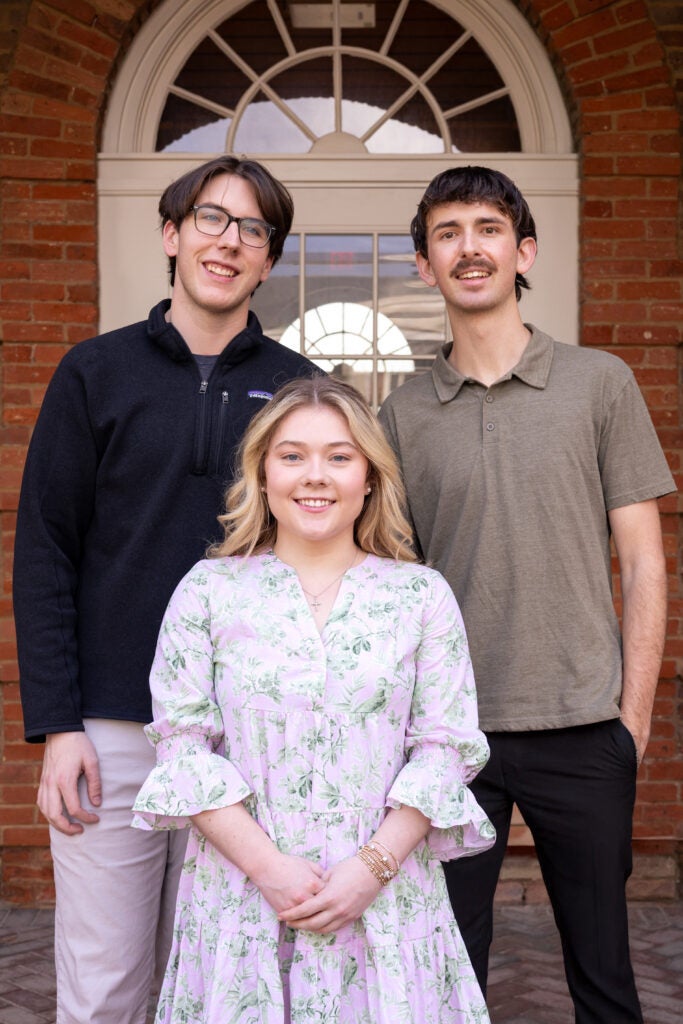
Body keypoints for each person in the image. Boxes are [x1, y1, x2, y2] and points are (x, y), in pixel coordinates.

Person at [13, 155, 317, 1024]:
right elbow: (45, 553)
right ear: (172, 236)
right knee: (104, 985)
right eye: (213, 220)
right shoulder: (92, 373)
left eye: (253, 230)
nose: (230, 242)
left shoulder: (298, 388)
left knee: (227, 986)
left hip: (250, 729)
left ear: (269, 260)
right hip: (114, 731)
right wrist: (60, 725)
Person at [378, 165, 675, 1024]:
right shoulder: (401, 414)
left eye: (486, 228)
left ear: (522, 252)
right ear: (425, 266)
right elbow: (395, 587)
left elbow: (643, 562)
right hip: (448, 737)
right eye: (446, 233)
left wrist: (633, 721)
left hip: (583, 727)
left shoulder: (599, 383)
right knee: (444, 974)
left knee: (604, 981)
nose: (468, 247)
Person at [132, 374, 496, 1024]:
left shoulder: (420, 596)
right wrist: (269, 868)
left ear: (369, 478)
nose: (314, 476)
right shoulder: (209, 590)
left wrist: (370, 869)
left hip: (385, 899)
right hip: (244, 898)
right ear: (263, 475)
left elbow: (444, 748)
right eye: (292, 455)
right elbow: (183, 746)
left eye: (339, 456)